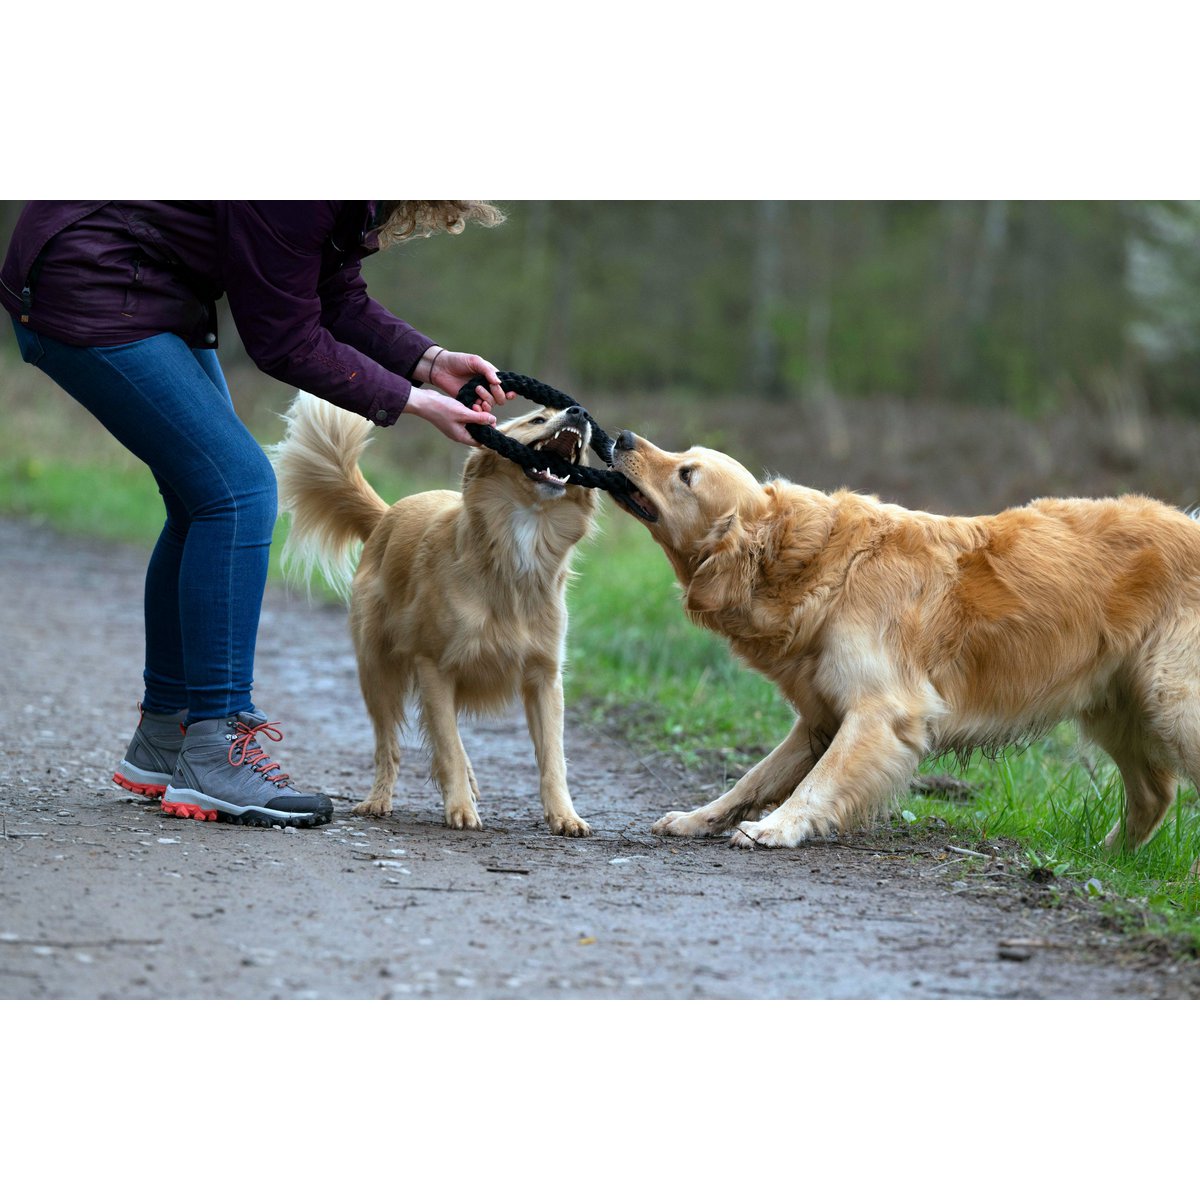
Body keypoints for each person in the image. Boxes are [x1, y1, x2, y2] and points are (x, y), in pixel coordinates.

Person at [1, 200, 512, 829]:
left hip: (148, 285)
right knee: (237, 493)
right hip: (94, 277)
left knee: (202, 499)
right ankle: (215, 750)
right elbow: (282, 337)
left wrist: (430, 363)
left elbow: (332, 294)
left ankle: (168, 734)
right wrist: (413, 400)